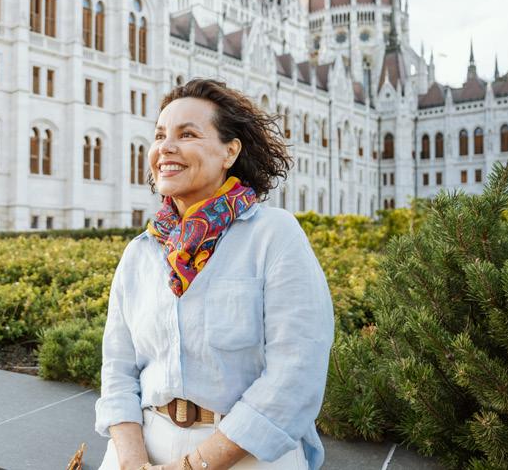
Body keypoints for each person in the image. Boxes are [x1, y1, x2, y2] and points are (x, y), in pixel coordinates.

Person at [95, 79, 334, 470]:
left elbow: (296, 372)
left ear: (230, 151)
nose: (165, 147)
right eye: (160, 135)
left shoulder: (273, 236)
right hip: (139, 447)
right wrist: (131, 461)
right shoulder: (141, 251)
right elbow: (117, 370)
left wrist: (193, 466)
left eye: (187, 134)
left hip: (246, 453)